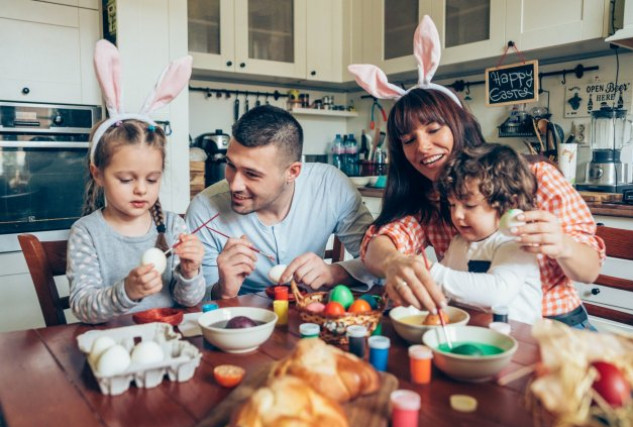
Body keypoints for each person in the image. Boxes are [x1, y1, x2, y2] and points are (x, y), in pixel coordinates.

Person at [348, 16, 604, 329]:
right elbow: (378, 244)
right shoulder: (427, 197)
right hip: (479, 326)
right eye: (408, 140)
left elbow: (589, 271)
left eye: (433, 129)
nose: (423, 147)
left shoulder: (534, 176)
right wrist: (394, 262)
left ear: (460, 126)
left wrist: (562, 244)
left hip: (557, 326)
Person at [67, 40, 205, 323]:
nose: (141, 188)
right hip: (113, 344)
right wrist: (126, 291)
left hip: (171, 341)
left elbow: (189, 301)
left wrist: (190, 272)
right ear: (98, 174)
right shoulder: (87, 233)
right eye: (127, 179)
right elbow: (82, 307)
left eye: (152, 179)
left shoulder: (173, 225)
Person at [186, 105, 377, 299]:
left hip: (310, 316)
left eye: (252, 174)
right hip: (242, 319)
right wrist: (223, 290)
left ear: (292, 172)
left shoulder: (330, 186)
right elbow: (196, 303)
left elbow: (380, 262)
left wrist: (334, 273)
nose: (234, 185)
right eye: (231, 165)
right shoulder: (204, 210)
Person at [431, 143, 542, 324]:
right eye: (452, 205)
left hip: (519, 339)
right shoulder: (458, 243)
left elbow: (497, 293)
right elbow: (440, 288)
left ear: (509, 203)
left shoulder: (515, 242)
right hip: (474, 333)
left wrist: (432, 272)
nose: (457, 215)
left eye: (470, 205)